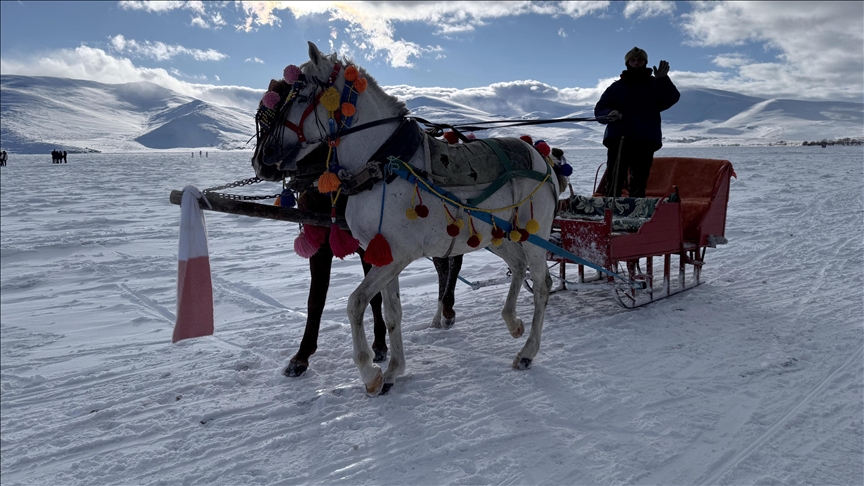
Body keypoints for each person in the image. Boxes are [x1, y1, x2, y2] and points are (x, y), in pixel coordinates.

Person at [595, 46, 680, 197]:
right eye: (633, 60)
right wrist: (609, 113)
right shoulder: (616, 87)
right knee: (614, 179)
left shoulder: (655, 84)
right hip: (618, 139)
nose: (636, 62)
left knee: (639, 182)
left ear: (645, 62)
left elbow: (670, 99)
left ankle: (635, 213)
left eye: (640, 60)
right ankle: (609, 213)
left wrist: (663, 79)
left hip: (644, 140)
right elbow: (600, 110)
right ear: (627, 63)